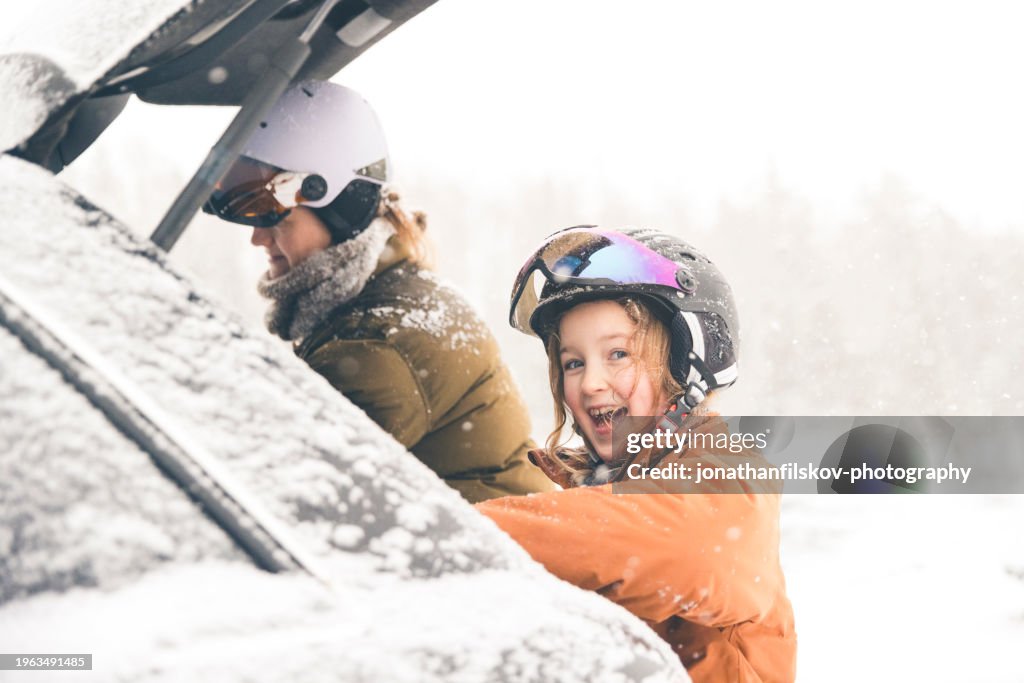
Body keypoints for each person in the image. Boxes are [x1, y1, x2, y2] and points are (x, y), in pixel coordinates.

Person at [203, 80, 552, 502]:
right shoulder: (382, 301)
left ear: (336, 209)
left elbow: (286, 491)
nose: (258, 239)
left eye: (276, 219)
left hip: (494, 560)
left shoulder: (376, 345)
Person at [476, 226, 796, 682]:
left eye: (619, 354)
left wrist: (458, 529)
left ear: (687, 366)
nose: (589, 384)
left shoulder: (733, 478)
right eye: (574, 362)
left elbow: (678, 545)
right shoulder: (596, 497)